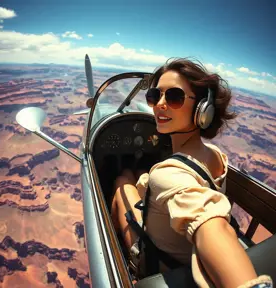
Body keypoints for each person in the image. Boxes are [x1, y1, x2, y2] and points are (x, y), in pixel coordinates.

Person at [111, 58, 273, 288]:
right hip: (184, 247)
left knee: (122, 181)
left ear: (202, 109)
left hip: (159, 260)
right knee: (139, 175)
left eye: (174, 97)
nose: (160, 104)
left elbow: (210, 225)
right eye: (155, 96)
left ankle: (115, 242)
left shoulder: (170, 175)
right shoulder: (216, 154)